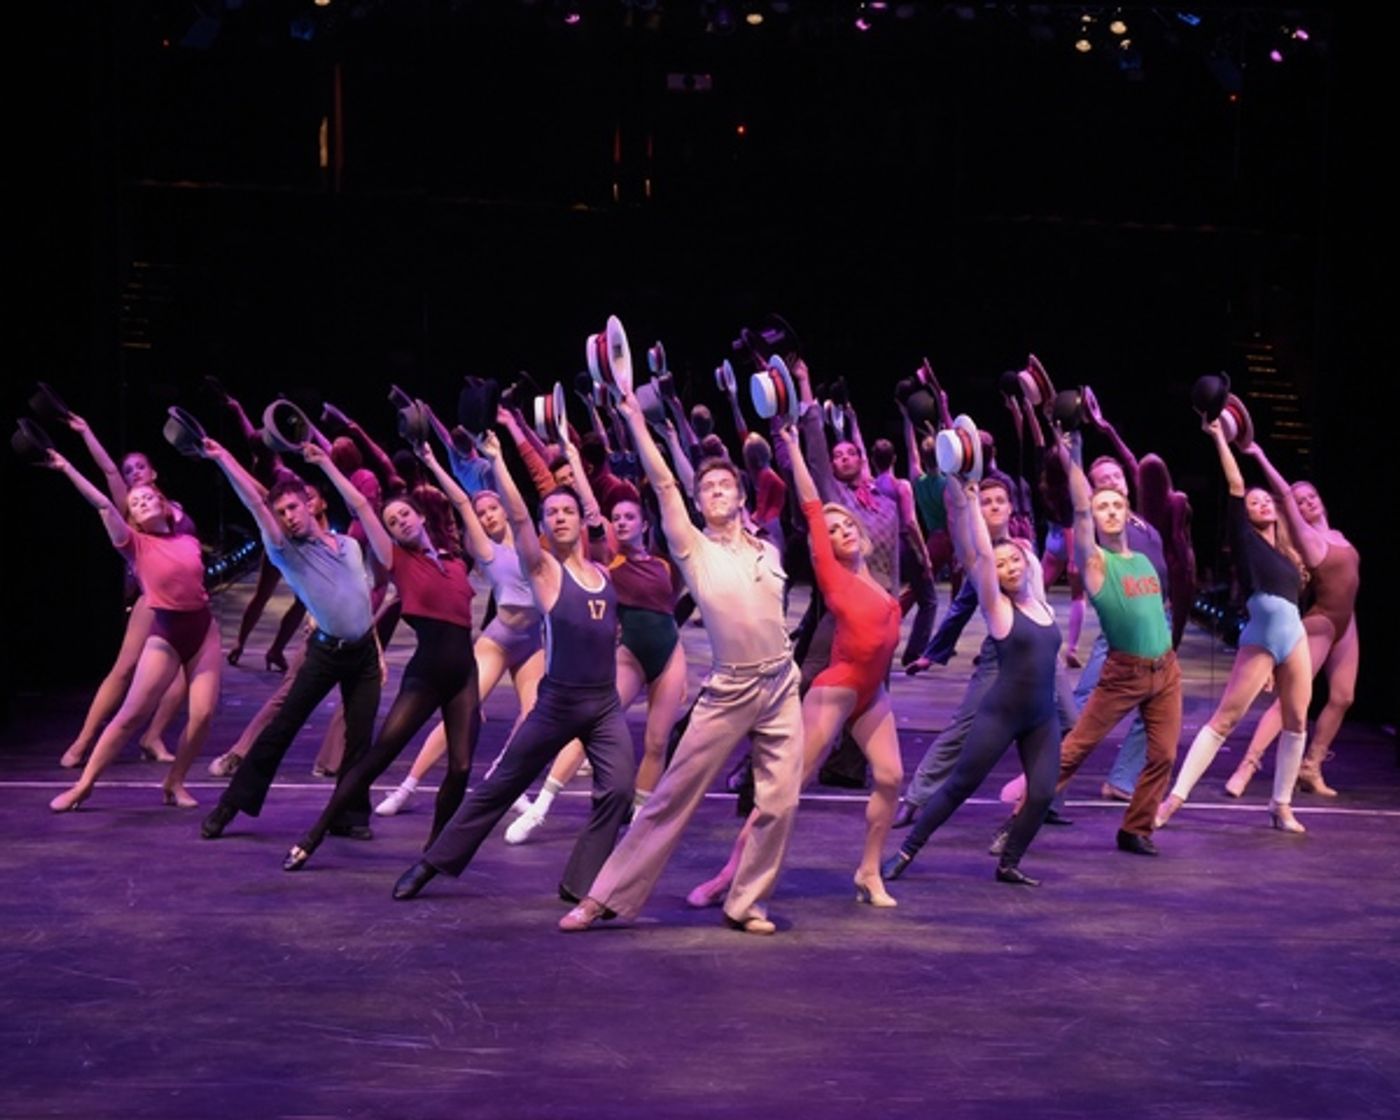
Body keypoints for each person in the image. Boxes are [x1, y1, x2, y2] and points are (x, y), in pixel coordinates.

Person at [558, 386, 804, 936]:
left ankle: (746, 903)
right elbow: (666, 482)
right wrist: (634, 420)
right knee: (670, 797)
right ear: (697, 503)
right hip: (730, 691)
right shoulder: (693, 546)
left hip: (781, 684)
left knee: (780, 802)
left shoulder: (769, 550)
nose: (716, 491)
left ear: (741, 497)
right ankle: (602, 898)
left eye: (725, 485)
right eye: (707, 487)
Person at [389, 430, 635, 905]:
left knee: (619, 790)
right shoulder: (542, 569)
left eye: (567, 511)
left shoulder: (602, 571)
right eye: (552, 513)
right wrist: (499, 460)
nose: (559, 518)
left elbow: (592, 508)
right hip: (558, 702)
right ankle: (431, 863)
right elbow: (519, 516)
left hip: (603, 703)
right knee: (500, 786)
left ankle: (580, 882)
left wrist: (573, 460)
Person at [688, 421, 903, 907]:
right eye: (833, 530)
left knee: (890, 779)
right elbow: (810, 501)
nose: (843, 531)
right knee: (786, 791)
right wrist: (792, 444)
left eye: (848, 524)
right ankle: (729, 874)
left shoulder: (876, 579)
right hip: (836, 689)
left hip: (873, 693)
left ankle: (869, 872)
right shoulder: (833, 574)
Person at [281, 442, 482, 870]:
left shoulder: (457, 560)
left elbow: (464, 503)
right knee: (378, 756)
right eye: (391, 521)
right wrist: (328, 466)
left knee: (462, 767)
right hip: (426, 675)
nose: (398, 521)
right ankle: (313, 836)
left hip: (465, 674)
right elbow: (361, 506)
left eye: (404, 514)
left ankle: (435, 853)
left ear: (422, 514)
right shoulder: (398, 560)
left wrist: (434, 460)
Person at [882, 458, 1062, 887]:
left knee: (1041, 793)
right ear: (993, 578)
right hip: (1001, 714)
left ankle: (1009, 863)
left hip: (1042, 716)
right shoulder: (998, 610)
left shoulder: (1041, 602)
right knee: (959, 785)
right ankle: (907, 851)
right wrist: (969, 499)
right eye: (1002, 567)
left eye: (1015, 561)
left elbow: (1021, 558)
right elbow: (981, 553)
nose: (1011, 567)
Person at [198, 439, 382, 842]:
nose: (288, 517)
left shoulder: (349, 546)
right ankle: (230, 805)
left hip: (364, 654)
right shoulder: (286, 551)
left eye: (293, 508)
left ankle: (348, 815)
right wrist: (225, 457)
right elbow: (256, 505)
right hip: (325, 654)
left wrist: (378, 652)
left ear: (312, 504)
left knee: (360, 737)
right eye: (281, 513)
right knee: (282, 729)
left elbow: (361, 600)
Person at [1022, 427, 1182, 856]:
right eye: (1101, 505)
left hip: (1164, 669)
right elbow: (1078, 507)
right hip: (1123, 669)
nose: (1110, 509)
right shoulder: (1094, 560)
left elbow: (1160, 600)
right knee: (1076, 749)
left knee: (1163, 754)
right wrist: (1072, 454)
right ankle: (1022, 818)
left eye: (1117, 503)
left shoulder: (1145, 552)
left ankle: (1135, 828)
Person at [505, 490, 689, 842]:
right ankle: (540, 807)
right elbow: (592, 517)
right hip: (629, 653)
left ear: (645, 525)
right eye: (616, 518)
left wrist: (680, 663)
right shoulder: (609, 563)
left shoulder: (663, 565)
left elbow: (669, 610)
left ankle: (637, 822)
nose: (621, 522)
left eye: (629, 517)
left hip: (669, 652)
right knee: (585, 728)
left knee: (656, 742)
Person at [1156, 423, 1313, 833]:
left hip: (1294, 636)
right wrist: (1220, 438)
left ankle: (1281, 805)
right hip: (1262, 633)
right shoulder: (1246, 540)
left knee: (1297, 719)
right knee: (1225, 719)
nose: (1259, 504)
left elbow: (1285, 498)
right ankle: (1174, 798)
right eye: (1254, 502)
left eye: (1266, 501)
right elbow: (1237, 483)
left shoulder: (1289, 554)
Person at [46, 451, 220, 812]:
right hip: (167, 634)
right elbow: (103, 504)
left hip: (203, 630)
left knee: (202, 713)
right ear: (134, 519)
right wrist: (67, 468)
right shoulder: (134, 545)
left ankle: (175, 782)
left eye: (146, 497)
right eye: (135, 503)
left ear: (161, 501)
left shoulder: (187, 536)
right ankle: (84, 785)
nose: (140, 501)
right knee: (129, 716)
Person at [56, 415, 189, 768]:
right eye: (129, 471)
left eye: (140, 467)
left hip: (183, 605)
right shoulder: (134, 508)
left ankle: (153, 737)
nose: (134, 474)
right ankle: (83, 742)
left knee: (179, 681)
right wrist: (87, 433)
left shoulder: (174, 508)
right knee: (124, 670)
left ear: (154, 472)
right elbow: (110, 474)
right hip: (153, 600)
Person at [1227, 479, 1358, 799]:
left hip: (1348, 622)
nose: (1309, 502)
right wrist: (1255, 452)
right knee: (1290, 700)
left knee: (1343, 697)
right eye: (1300, 501)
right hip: (1322, 622)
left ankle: (1310, 766)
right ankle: (1248, 764)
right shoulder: (1306, 540)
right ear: (1293, 511)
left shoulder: (1338, 536)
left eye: (1312, 496)